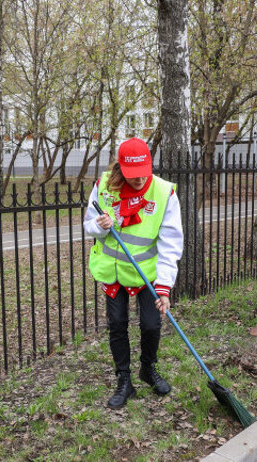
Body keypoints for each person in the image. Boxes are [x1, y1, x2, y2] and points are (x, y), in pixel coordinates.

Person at [83, 138, 184, 409]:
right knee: (117, 325)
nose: (139, 179)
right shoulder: (104, 187)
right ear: (121, 169)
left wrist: (164, 286)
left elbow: (171, 241)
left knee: (151, 325)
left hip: (147, 273)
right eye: (132, 174)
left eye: (144, 173)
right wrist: (100, 225)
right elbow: (88, 225)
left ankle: (147, 369)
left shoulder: (164, 193)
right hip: (113, 271)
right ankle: (124, 380)